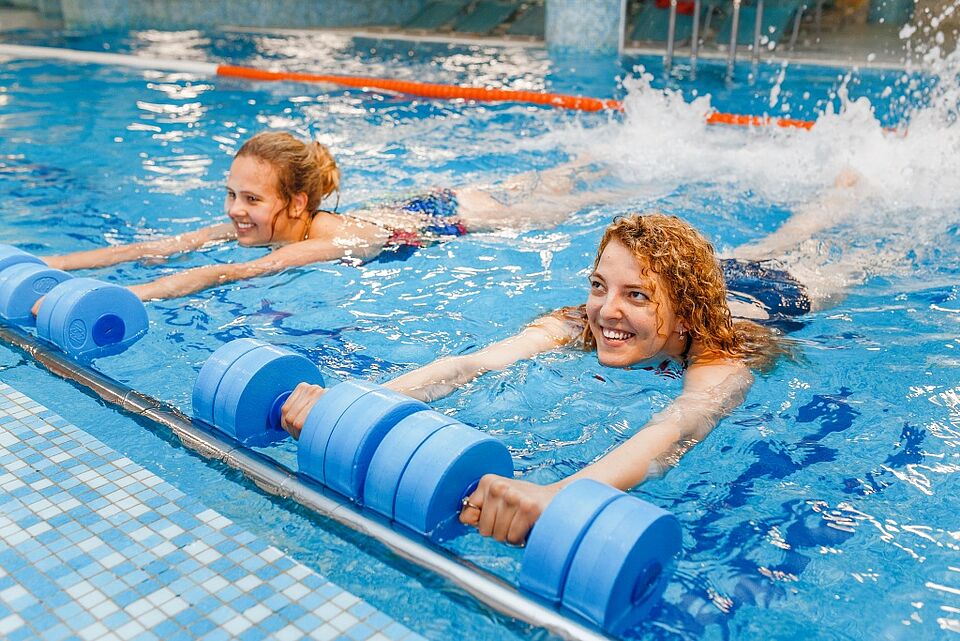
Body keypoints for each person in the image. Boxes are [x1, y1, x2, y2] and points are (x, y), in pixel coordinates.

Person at [278, 171, 865, 545]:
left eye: (636, 296)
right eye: (599, 285)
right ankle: (833, 196)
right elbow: (474, 364)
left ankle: (845, 203)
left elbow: (674, 430)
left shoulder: (720, 358)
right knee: (770, 241)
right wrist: (356, 402)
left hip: (776, 296)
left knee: (842, 263)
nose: (607, 311)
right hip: (712, 279)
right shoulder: (584, 322)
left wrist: (559, 494)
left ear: (684, 315)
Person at [40, 131, 608, 302]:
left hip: (456, 219)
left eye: (252, 200)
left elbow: (237, 272)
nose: (235, 210)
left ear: (295, 205)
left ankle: (602, 169)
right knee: (541, 184)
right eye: (231, 194)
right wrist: (51, 265)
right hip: (420, 204)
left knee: (562, 207)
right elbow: (151, 249)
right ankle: (582, 162)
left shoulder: (322, 238)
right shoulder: (252, 225)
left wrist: (130, 296)